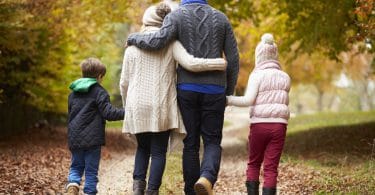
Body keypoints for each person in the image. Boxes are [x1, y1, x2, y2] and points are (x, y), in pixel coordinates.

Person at [126, 0, 239, 194]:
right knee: (212, 141)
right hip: (215, 89)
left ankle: (190, 190)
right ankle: (207, 178)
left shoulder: (175, 16)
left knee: (191, 144)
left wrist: (134, 38)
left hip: (187, 88)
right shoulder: (221, 18)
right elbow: (233, 58)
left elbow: (157, 41)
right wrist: (228, 91)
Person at [226, 34, 291, 195]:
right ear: (275, 55)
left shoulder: (256, 75)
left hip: (259, 125)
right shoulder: (285, 77)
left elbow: (248, 100)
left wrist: (228, 99)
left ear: (258, 56)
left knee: (254, 163)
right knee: (271, 167)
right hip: (279, 126)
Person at [66, 58, 125, 195]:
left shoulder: (72, 94)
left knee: (76, 166)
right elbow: (108, 113)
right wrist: (126, 112)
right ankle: (89, 192)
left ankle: (73, 184)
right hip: (93, 139)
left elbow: (71, 115)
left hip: (75, 137)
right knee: (91, 170)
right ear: (99, 76)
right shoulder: (99, 92)